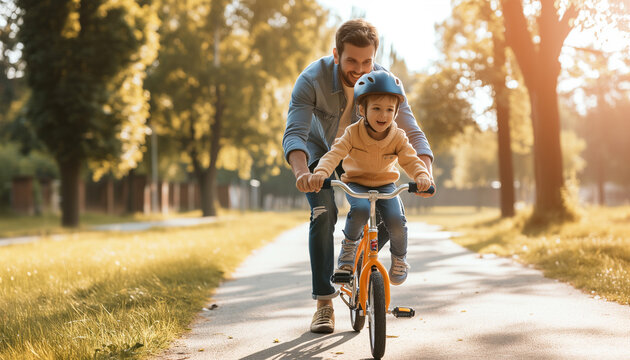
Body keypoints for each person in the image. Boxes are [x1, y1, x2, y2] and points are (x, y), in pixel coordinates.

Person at [282, 19, 435, 334]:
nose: (360, 69)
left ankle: (365, 267)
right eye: (351, 60)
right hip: (322, 153)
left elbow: (411, 132)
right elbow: (295, 134)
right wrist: (302, 173)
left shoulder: (384, 82)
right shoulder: (311, 80)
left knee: (388, 213)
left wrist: (426, 174)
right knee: (324, 213)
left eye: (367, 61)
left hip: (366, 158)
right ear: (336, 54)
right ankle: (325, 303)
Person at [304, 69, 433, 286]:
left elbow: (411, 159)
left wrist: (422, 175)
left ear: (396, 111)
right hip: (356, 183)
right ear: (361, 109)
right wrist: (320, 173)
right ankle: (348, 251)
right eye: (376, 109)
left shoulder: (398, 137)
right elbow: (334, 154)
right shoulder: (352, 133)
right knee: (361, 209)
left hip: (386, 185)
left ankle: (399, 259)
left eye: (389, 110)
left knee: (396, 220)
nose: (383, 115)